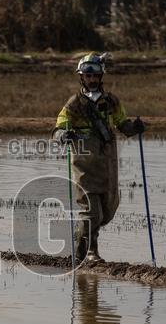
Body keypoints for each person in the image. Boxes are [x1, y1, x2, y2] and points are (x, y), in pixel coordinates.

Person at [52, 52, 146, 263]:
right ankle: (89, 252)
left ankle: (82, 241)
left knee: (107, 211)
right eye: (88, 76)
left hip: (108, 165)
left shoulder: (112, 101)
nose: (92, 80)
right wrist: (63, 134)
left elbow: (123, 125)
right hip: (84, 166)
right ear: (81, 77)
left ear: (101, 76)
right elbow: (58, 127)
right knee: (91, 211)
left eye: (95, 76)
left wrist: (135, 127)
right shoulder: (74, 103)